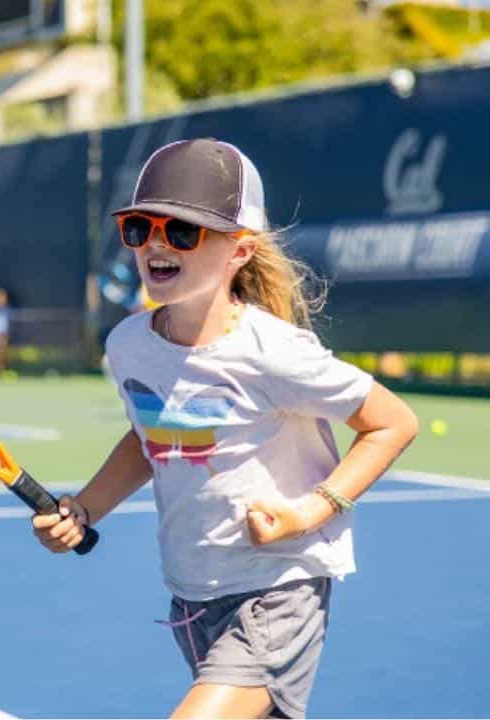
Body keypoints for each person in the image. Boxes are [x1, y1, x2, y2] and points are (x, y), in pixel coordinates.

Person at [30, 139, 418, 719]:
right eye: (139, 228)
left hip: (278, 592)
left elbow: (393, 422)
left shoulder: (273, 352)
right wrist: (85, 508)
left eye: (182, 230)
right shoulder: (129, 346)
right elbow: (151, 439)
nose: (156, 243)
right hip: (192, 597)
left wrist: (310, 512)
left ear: (240, 250)